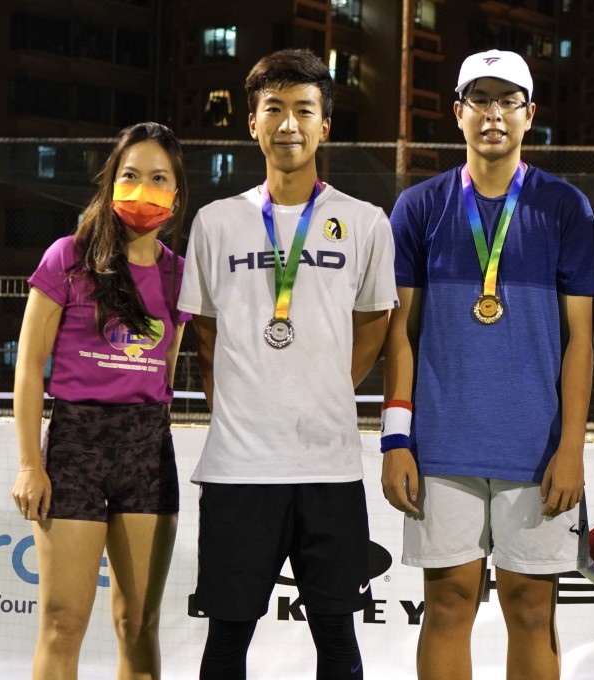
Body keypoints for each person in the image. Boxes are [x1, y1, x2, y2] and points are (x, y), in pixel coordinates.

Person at [178, 49, 396, 680]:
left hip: (328, 465)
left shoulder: (364, 222)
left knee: (336, 634)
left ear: (325, 125)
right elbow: (206, 334)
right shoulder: (216, 223)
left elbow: (373, 325)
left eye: (305, 109)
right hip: (238, 468)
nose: (289, 123)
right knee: (228, 638)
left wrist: (321, 388)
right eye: (274, 109)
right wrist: (249, 400)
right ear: (252, 123)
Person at [381, 49, 594, 679]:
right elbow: (402, 332)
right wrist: (398, 440)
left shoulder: (565, 207)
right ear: (457, 113)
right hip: (441, 448)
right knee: (448, 604)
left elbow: (579, 339)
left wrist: (573, 447)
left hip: (537, 448)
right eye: (480, 100)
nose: (493, 114)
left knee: (531, 607)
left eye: (508, 102)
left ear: (530, 115)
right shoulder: (419, 207)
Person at [11, 121, 189, 680]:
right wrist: (29, 464)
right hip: (75, 449)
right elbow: (28, 366)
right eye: (130, 176)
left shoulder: (179, 276)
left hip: (146, 450)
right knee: (63, 622)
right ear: (111, 183)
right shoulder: (68, 257)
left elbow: (165, 371)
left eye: (158, 178)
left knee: (138, 624)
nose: (143, 190)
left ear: (176, 194)